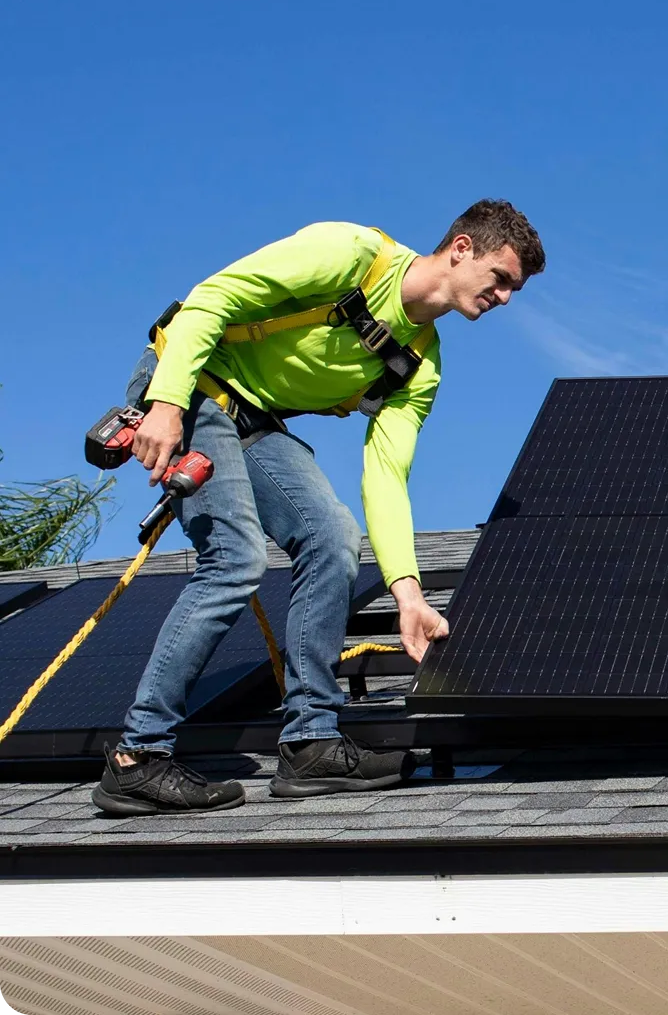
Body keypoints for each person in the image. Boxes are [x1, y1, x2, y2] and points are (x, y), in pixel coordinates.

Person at [92, 200, 545, 816]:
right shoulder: (352, 255)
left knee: (333, 538)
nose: (506, 298)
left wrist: (408, 594)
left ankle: (310, 743)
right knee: (236, 559)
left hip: (254, 421)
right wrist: (167, 404)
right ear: (461, 248)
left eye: (514, 289)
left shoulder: (419, 365)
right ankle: (137, 757)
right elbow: (209, 300)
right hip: (193, 383)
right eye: (502, 279)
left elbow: (386, 475)